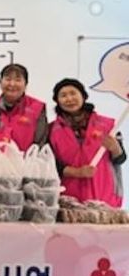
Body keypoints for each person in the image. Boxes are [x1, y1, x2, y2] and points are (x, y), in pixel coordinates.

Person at [48, 78, 126, 208]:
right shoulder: (51, 130)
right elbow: (50, 164)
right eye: (63, 95)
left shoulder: (108, 125)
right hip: (67, 199)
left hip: (103, 196)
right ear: (57, 101)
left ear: (83, 96)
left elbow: (120, 159)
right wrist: (77, 172)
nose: (69, 99)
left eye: (73, 93)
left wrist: (115, 148)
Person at [0, 63, 47, 151]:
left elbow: (40, 143)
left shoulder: (37, 107)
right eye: (8, 79)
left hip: (27, 159)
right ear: (0, 82)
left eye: (18, 80)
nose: (12, 84)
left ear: (26, 84)